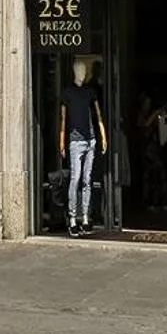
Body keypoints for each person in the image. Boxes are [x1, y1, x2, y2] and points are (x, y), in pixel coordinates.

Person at [57, 58, 107, 237]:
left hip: (91, 140)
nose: (83, 72)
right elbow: (63, 118)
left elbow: (98, 114)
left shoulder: (90, 92)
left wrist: (102, 135)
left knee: (87, 180)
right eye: (79, 69)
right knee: (75, 178)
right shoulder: (67, 93)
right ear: (74, 71)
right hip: (75, 141)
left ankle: (85, 217)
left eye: (84, 70)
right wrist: (62, 140)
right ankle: (72, 218)